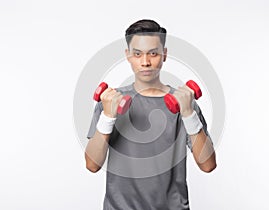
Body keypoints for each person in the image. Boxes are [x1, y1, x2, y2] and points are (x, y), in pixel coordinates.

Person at [85, 19, 216, 210]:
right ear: (128, 55)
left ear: (164, 55)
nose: (145, 62)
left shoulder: (184, 103)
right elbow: (92, 165)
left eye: (153, 53)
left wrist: (188, 114)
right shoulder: (110, 102)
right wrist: (107, 117)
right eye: (137, 54)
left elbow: (208, 165)